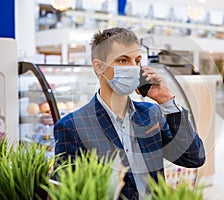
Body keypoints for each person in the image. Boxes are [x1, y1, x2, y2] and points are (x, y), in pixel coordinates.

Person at [54, 27, 205, 200]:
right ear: (99, 66)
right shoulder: (72, 127)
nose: (133, 68)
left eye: (137, 61)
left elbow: (194, 158)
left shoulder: (151, 114)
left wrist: (166, 100)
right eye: (123, 60)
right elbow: (66, 193)